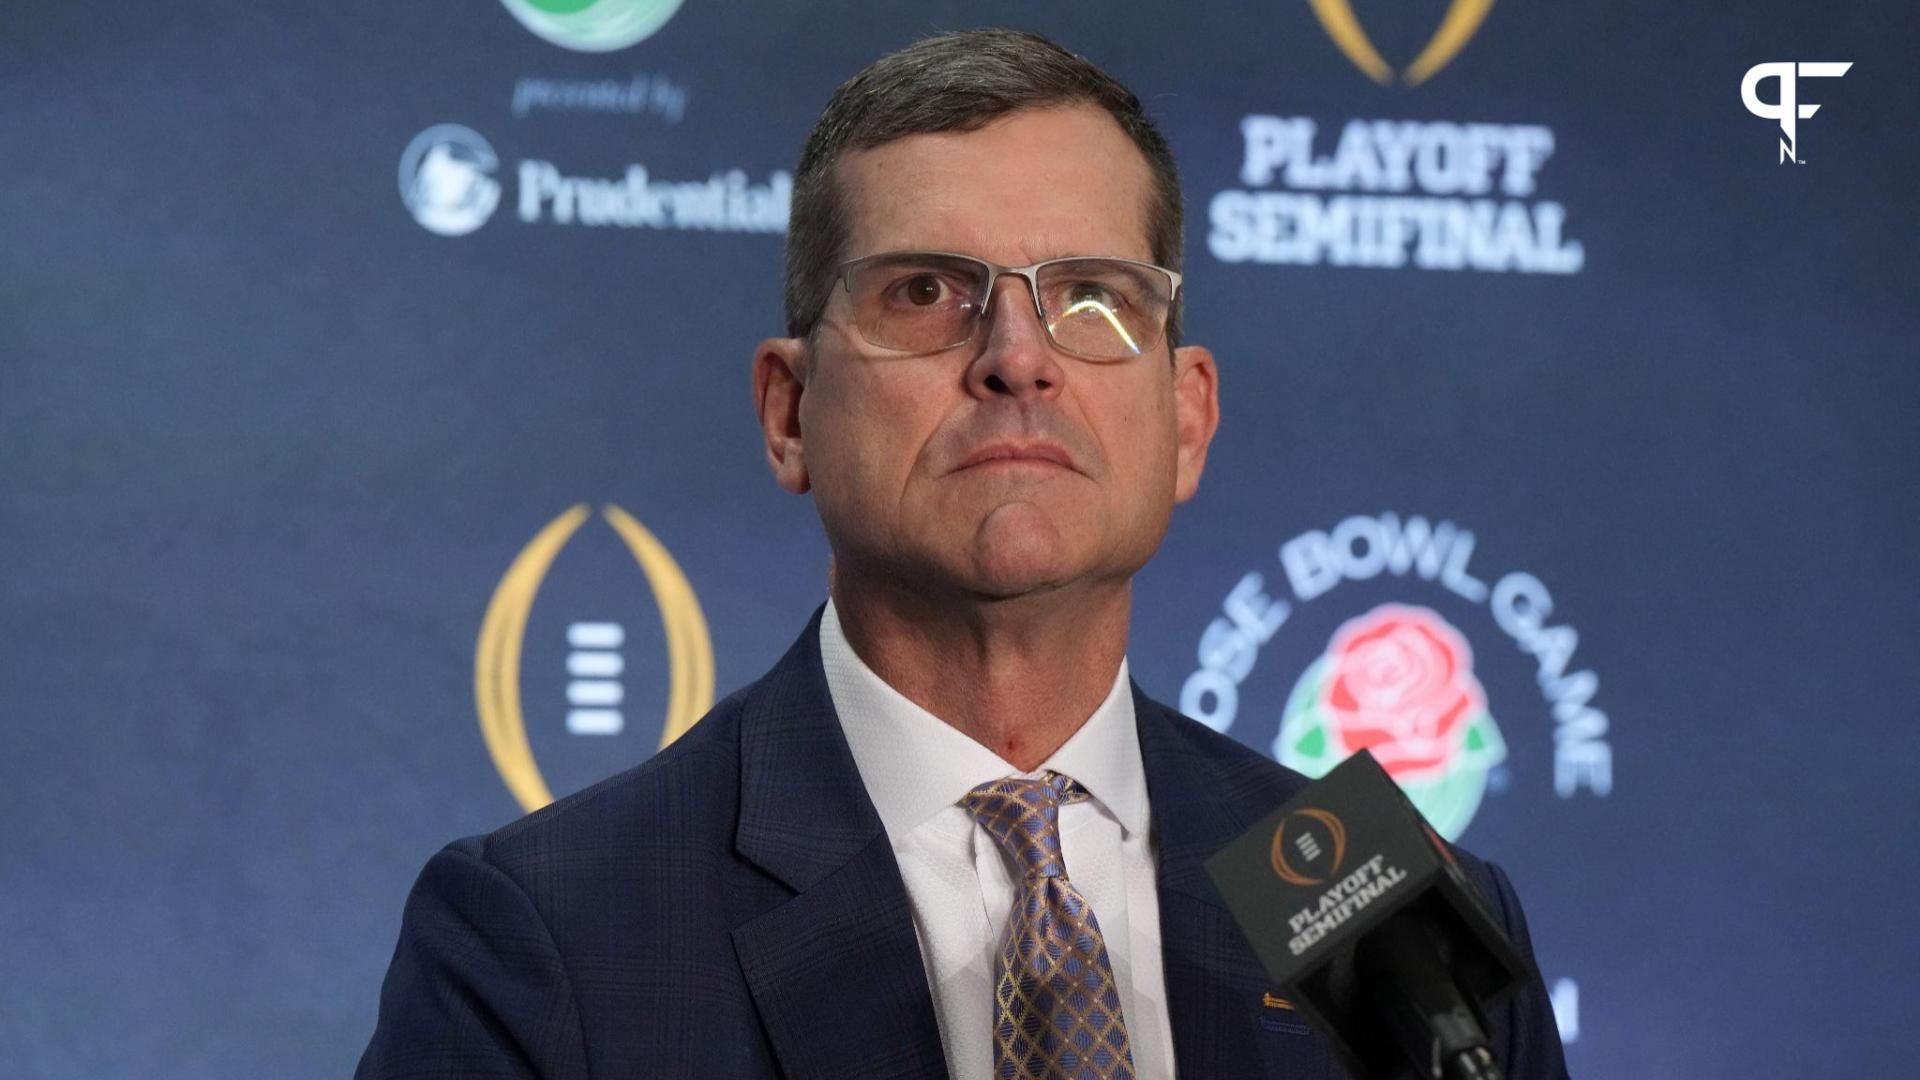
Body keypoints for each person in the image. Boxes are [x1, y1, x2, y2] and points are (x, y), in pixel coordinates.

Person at [357, 28, 1570, 1080]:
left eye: (1093, 298)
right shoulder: (550, 934)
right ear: (790, 413)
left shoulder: (1387, 900)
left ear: (1187, 419)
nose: (1018, 357)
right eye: (927, 291)